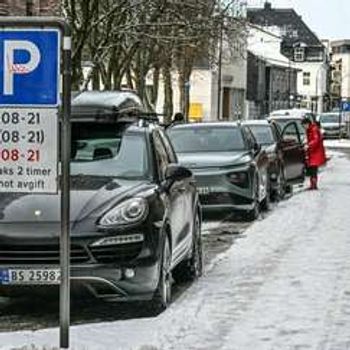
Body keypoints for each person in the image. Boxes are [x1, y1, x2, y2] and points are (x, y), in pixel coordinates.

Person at [301, 116, 326, 190]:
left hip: (316, 152)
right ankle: (313, 184)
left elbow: (316, 140)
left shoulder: (313, 129)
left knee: (313, 169)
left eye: (304, 125)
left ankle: (314, 185)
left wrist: (308, 145)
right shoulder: (310, 129)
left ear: (307, 124)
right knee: (312, 169)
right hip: (313, 152)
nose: (304, 127)